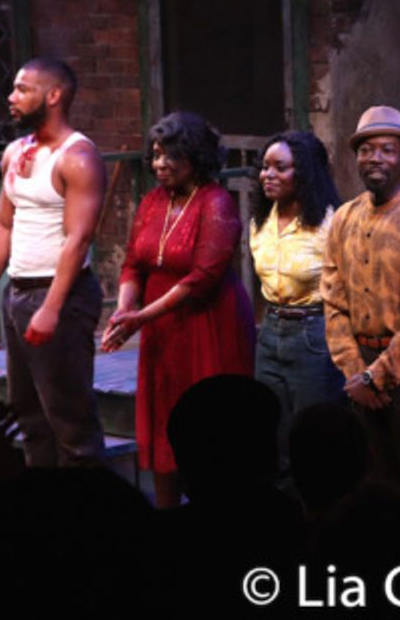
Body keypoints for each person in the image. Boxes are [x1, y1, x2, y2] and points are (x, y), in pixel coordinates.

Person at [101, 111, 254, 508]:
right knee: (163, 419)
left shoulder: (216, 202)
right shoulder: (153, 202)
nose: (159, 164)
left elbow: (203, 277)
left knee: (208, 424)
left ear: (196, 157)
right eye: (155, 155)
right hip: (160, 328)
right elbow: (133, 263)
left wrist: (140, 317)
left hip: (207, 324)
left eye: (170, 156)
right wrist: (124, 309)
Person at [0, 57, 106, 468]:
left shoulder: (77, 157)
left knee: (71, 424)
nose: (11, 97)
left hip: (59, 295)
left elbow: (79, 238)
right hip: (18, 292)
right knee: (28, 417)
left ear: (53, 95)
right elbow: (3, 225)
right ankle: (41, 502)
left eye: (22, 90)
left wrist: (51, 307)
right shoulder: (15, 152)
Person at [321, 105, 400, 491]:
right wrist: (355, 373)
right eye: (365, 150)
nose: (374, 158)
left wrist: (377, 376)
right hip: (358, 372)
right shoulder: (344, 219)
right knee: (371, 489)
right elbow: (333, 301)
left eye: (387, 150)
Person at [249, 130, 342, 469]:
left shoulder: (331, 222)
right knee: (273, 433)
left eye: (280, 167)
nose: (268, 175)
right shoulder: (261, 221)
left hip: (313, 334)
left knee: (313, 436)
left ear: (303, 172)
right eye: (265, 167)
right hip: (270, 333)